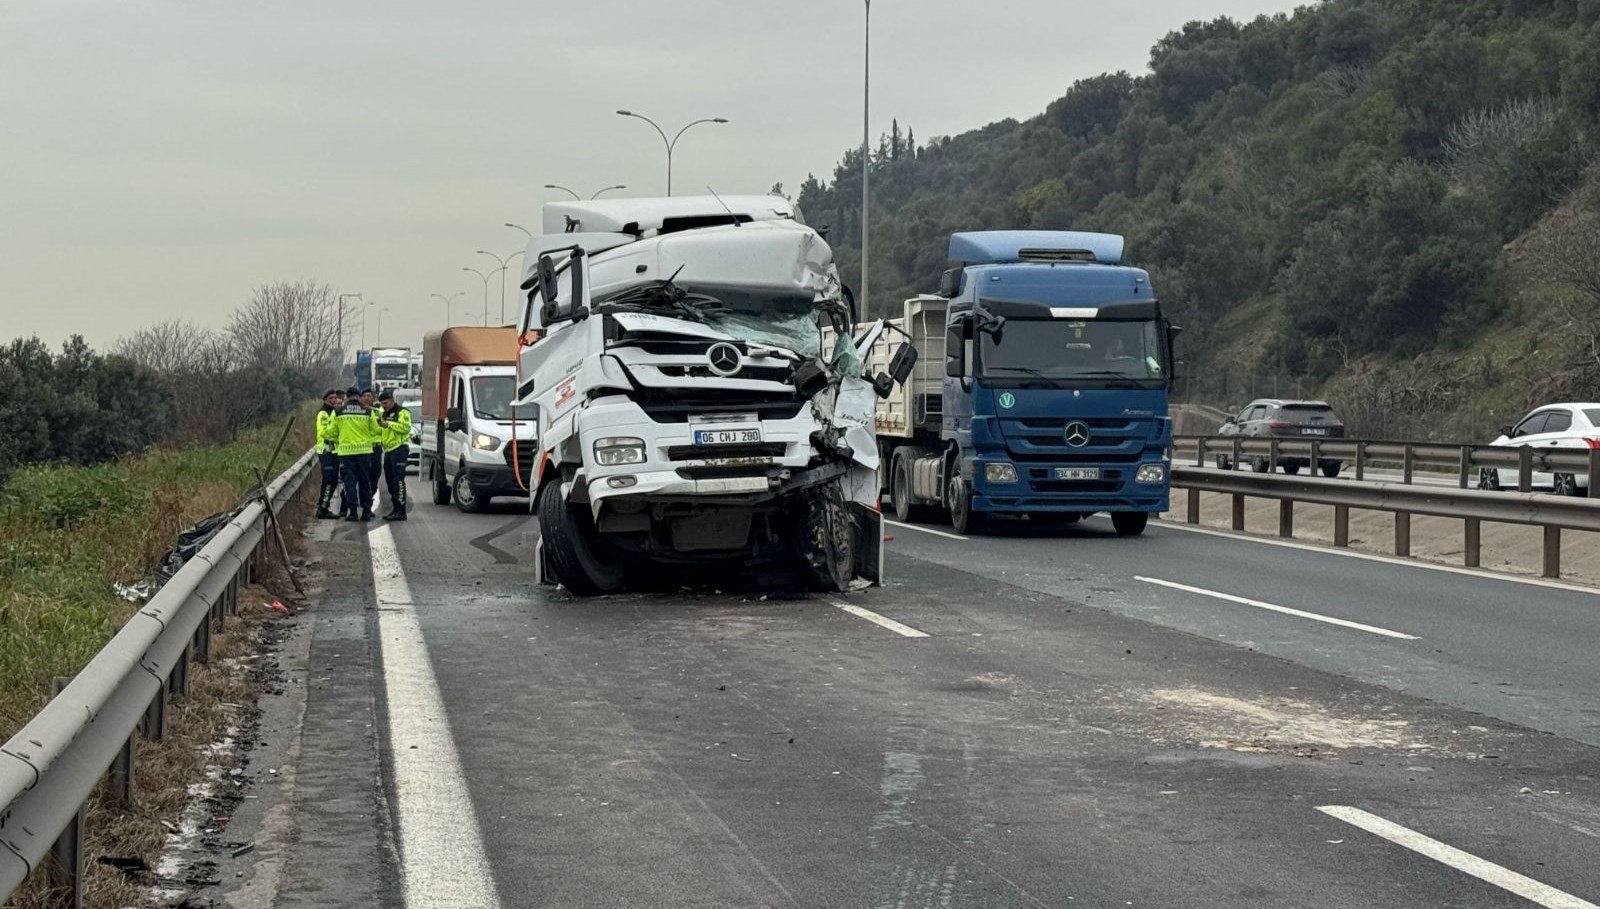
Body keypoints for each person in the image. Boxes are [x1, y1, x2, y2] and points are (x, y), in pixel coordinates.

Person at [334, 385, 381, 522]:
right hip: (364, 452)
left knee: (349, 482)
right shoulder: (367, 411)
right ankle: (366, 511)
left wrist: (341, 436)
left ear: (346, 397)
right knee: (364, 481)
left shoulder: (338, 411)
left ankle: (353, 511)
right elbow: (375, 430)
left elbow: (330, 431)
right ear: (358, 397)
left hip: (346, 452)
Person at [377, 389, 412, 521]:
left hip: (399, 449)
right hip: (388, 450)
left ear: (392, 401)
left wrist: (389, 424)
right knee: (390, 481)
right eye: (381, 404)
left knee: (398, 480)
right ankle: (395, 508)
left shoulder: (402, 412)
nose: (383, 406)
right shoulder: (382, 413)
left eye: (385, 403)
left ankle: (401, 510)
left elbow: (406, 428)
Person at [314, 389, 343, 519]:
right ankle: (323, 508)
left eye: (335, 398)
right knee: (329, 480)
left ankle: (323, 506)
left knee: (333, 481)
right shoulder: (324, 414)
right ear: (324, 400)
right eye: (330, 398)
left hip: (334, 451)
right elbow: (325, 432)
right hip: (326, 451)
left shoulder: (334, 412)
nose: (333, 400)